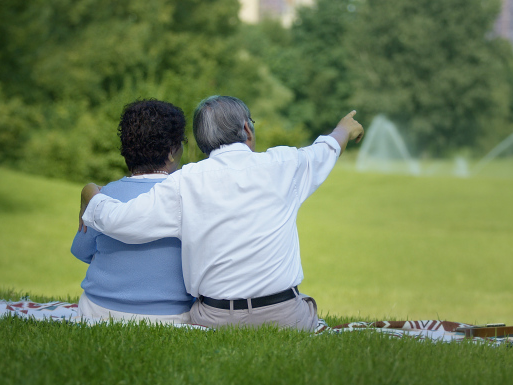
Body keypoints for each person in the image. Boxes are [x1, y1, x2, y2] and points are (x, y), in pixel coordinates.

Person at [80, 95, 364, 330]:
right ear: (247, 130)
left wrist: (92, 195)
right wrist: (344, 128)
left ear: (203, 143)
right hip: (284, 316)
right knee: (307, 304)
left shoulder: (184, 181)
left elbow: (123, 222)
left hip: (214, 320)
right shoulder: (285, 164)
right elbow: (325, 149)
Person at [71, 99, 194, 324]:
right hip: (171, 315)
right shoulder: (188, 197)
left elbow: (81, 251)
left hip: (98, 310)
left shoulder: (105, 195)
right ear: (171, 152)